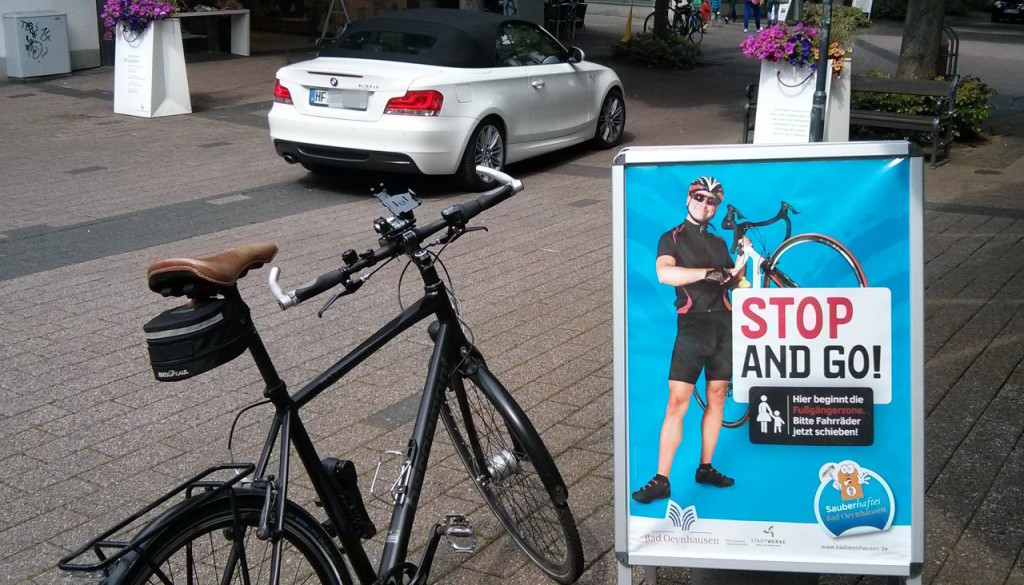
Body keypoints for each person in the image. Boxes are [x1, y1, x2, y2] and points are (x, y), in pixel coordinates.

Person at [632, 177, 747, 504]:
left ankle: (706, 467)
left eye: (712, 201)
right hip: (693, 324)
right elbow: (665, 273)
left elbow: (732, 283)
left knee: (717, 397)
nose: (705, 204)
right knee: (677, 402)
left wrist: (742, 261)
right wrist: (705, 273)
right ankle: (661, 479)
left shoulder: (719, 243)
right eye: (700, 197)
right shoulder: (671, 238)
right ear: (688, 200)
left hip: (724, 325)